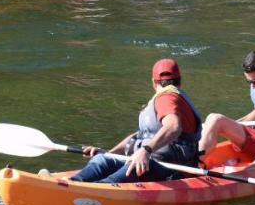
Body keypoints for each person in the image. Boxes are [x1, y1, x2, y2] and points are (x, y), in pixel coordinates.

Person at [69, 58, 203, 184]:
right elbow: (139, 136)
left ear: (153, 82)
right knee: (103, 159)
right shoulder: (172, 99)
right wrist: (110, 153)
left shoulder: (166, 99)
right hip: (150, 161)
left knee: (132, 166)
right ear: (180, 80)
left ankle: (94, 189)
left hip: (170, 169)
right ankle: (73, 184)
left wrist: (146, 151)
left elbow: (174, 127)